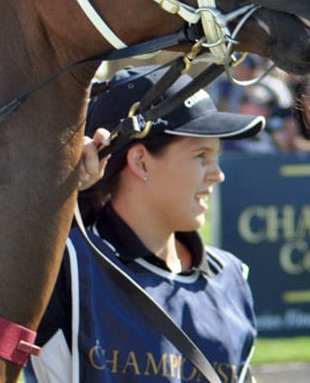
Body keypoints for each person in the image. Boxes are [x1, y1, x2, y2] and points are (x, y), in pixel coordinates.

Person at [29, 67, 265, 383]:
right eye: (201, 156)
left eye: (215, 157)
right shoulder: (64, 265)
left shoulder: (231, 276)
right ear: (140, 161)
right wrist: (58, 188)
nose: (217, 174)